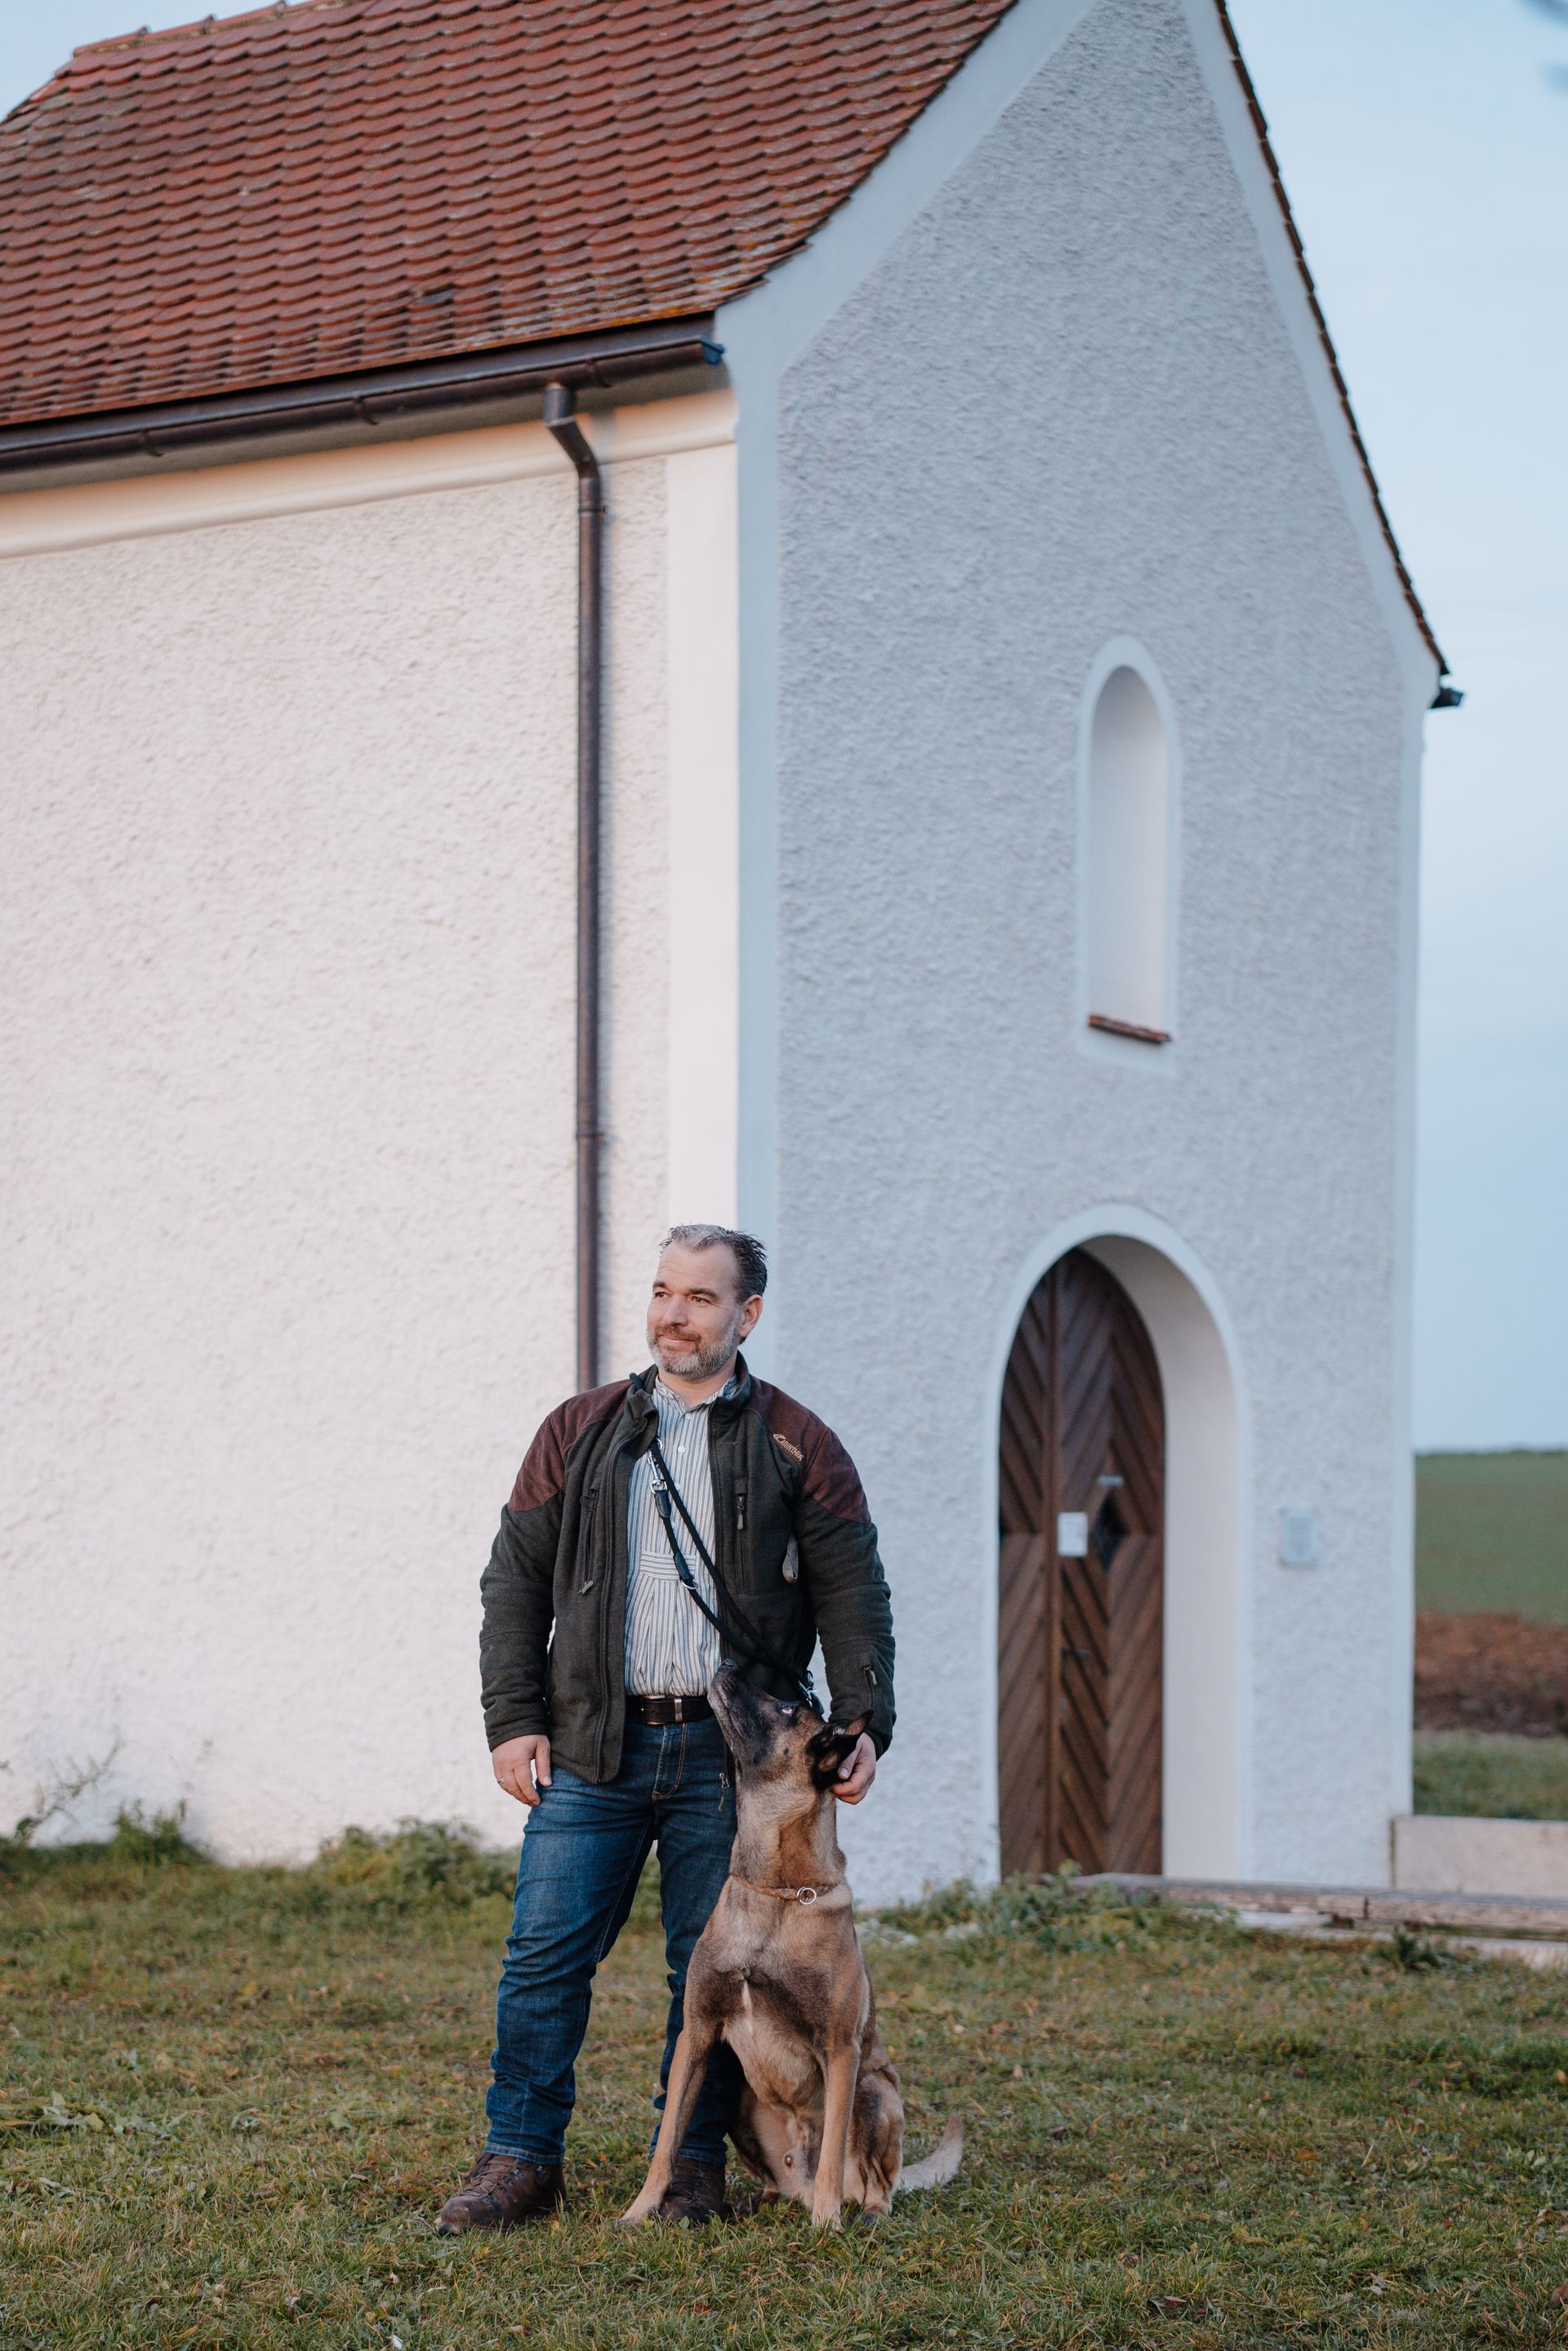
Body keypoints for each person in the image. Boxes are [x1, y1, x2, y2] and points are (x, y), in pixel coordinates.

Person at [436, 1224, 896, 2233]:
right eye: (661, 1291)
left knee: (706, 1972)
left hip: (734, 1767)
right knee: (545, 1953)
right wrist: (514, 1718)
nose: (672, 1314)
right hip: (593, 1743)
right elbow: (513, 1581)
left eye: (698, 1296)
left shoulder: (798, 1441)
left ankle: (690, 2171)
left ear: (748, 1313)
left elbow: (853, 1592)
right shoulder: (579, 1427)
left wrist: (862, 1720)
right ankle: (519, 2158)